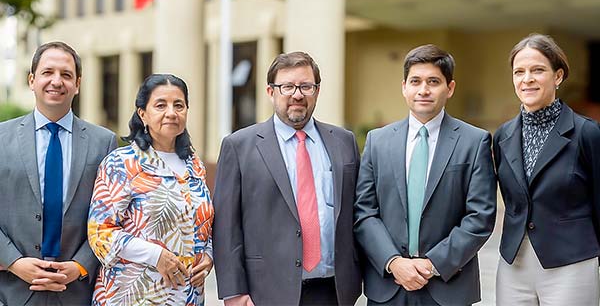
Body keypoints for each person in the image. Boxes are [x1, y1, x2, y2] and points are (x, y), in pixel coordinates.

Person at [213, 51, 362, 306]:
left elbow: (356, 212)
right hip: (266, 293)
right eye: (287, 87)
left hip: (335, 291)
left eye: (306, 86)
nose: (297, 95)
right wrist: (233, 292)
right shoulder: (239, 146)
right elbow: (226, 227)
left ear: (316, 90)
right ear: (271, 92)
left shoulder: (344, 142)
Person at [354, 44, 497, 306]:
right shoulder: (377, 141)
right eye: (415, 81)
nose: (423, 90)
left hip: (448, 286)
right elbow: (364, 213)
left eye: (433, 81)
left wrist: (431, 265)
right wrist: (394, 262)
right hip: (388, 286)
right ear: (404, 87)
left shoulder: (474, 141)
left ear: (450, 88)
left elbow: (480, 217)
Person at [0, 41, 117, 306]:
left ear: (77, 83)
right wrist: (15, 262)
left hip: (78, 292)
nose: (56, 81)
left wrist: (80, 265)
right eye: (47, 72)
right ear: (32, 80)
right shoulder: (1, 137)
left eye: (66, 75)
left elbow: (112, 216)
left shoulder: (103, 142)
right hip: (11, 291)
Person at [87, 73, 214, 306]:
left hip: (188, 296)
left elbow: (203, 222)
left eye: (179, 105)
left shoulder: (195, 165)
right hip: (133, 295)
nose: (171, 113)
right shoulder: (121, 163)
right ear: (142, 113)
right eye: (160, 105)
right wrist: (156, 256)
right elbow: (100, 232)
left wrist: (208, 255)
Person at [493, 33, 600, 305]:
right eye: (519, 72)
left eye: (537, 70)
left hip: (571, 262)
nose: (527, 78)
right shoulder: (502, 136)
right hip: (513, 264)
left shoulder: (587, 133)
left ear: (558, 76)